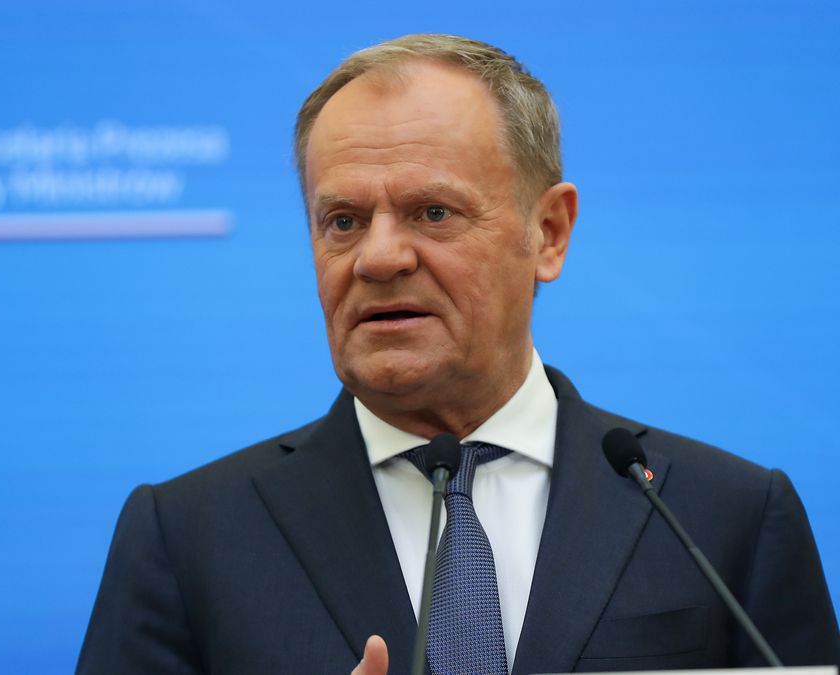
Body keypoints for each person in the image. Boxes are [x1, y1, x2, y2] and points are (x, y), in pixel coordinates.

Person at [76, 34, 839, 674]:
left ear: (548, 233)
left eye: (431, 211)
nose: (376, 257)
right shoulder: (186, 538)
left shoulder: (722, 515)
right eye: (341, 220)